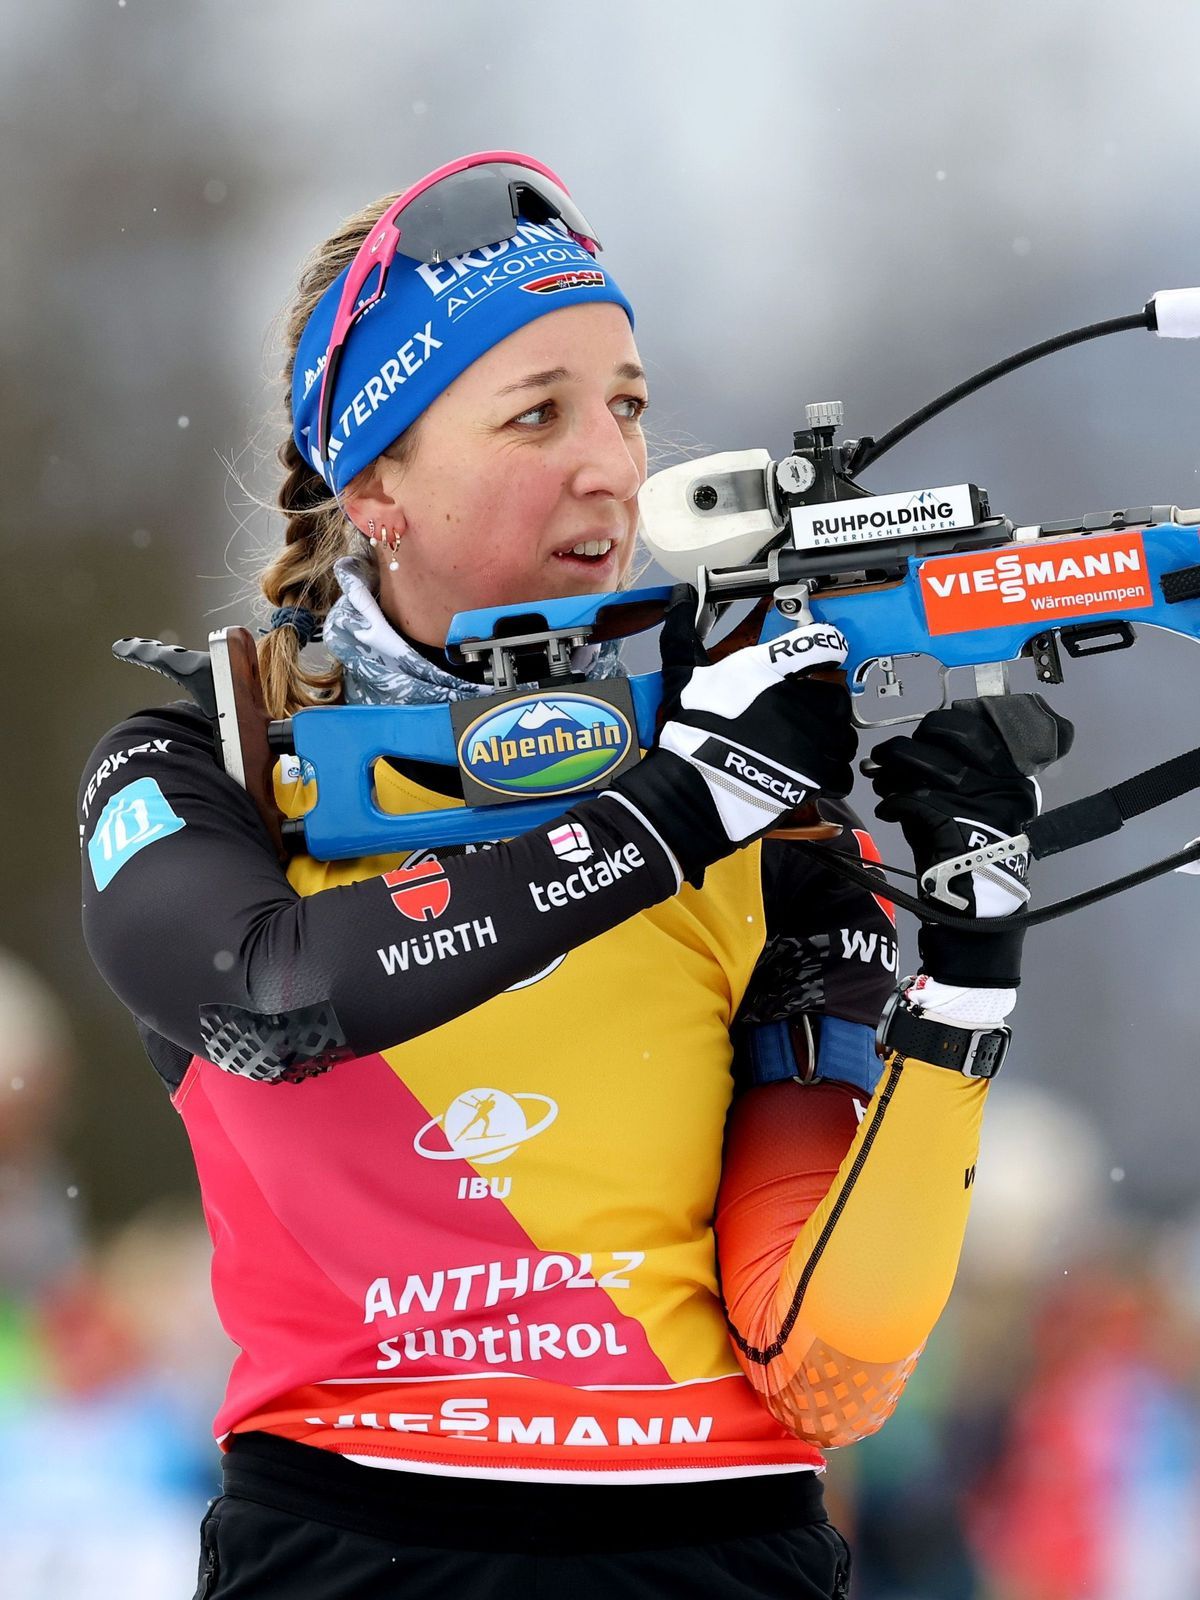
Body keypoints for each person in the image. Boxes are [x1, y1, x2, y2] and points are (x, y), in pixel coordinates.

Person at [79, 152, 1062, 1599]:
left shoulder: (757, 809)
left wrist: (968, 975)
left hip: (715, 1550)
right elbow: (270, 994)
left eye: (628, 405)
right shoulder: (207, 759)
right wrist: (677, 809)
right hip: (356, 1548)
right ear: (375, 484)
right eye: (536, 412)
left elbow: (831, 1366)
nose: (609, 462)